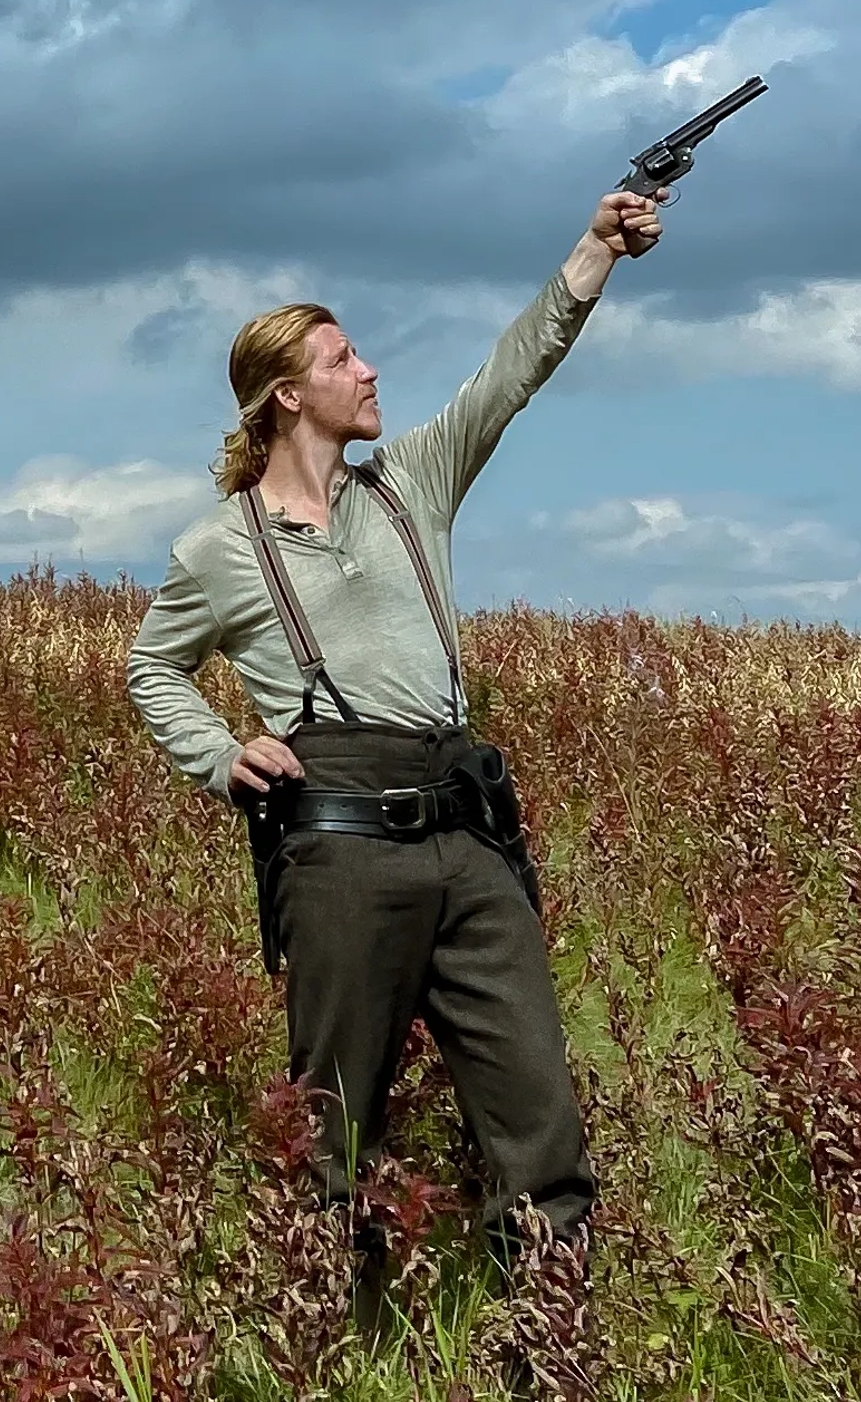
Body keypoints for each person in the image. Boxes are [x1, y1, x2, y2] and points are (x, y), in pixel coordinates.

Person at [125, 189, 663, 1285]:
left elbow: (510, 374)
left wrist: (596, 249)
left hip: (469, 836)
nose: (369, 371)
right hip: (337, 849)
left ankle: (550, 1341)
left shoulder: (411, 483)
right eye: (343, 357)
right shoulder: (220, 549)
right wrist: (220, 754)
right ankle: (327, 1329)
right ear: (287, 395)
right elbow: (149, 666)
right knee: (333, 1118)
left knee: (538, 1110)